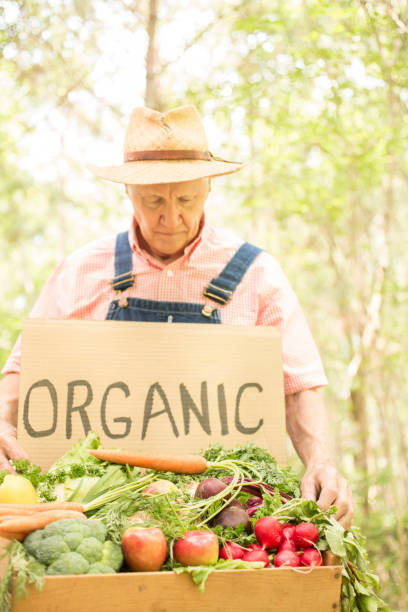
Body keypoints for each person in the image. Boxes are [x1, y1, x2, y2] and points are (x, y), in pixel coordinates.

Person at [0, 104, 353, 528]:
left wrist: (320, 461)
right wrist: (3, 423)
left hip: (225, 514)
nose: (170, 217)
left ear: (208, 188)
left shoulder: (257, 275)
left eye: (185, 198)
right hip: (100, 513)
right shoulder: (80, 270)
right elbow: (25, 367)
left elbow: (299, 387)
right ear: (128, 192)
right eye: (153, 201)